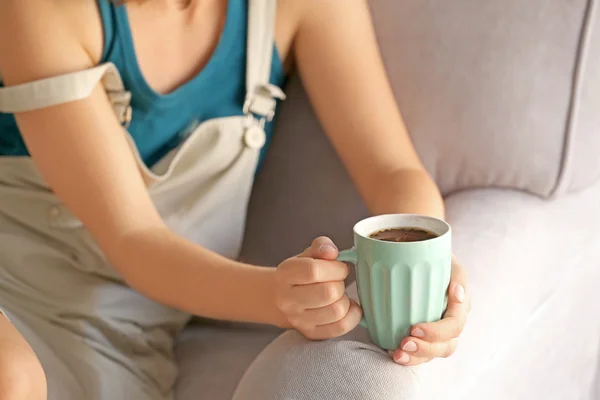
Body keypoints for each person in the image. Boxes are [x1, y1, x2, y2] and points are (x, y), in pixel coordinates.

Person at [0, 0, 471, 399]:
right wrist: (273, 297)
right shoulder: (40, 11)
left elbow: (393, 170)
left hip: (122, 338)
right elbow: (133, 238)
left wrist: (429, 265)